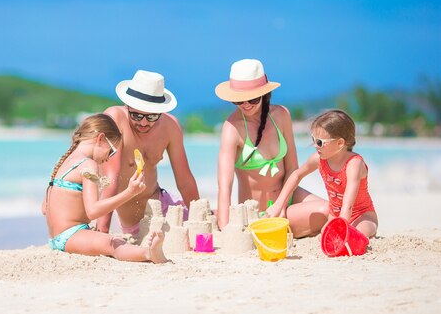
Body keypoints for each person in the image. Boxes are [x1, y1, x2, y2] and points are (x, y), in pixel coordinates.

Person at [215, 59, 328, 237]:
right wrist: (225, 226)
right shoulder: (232, 128)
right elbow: (224, 185)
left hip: (287, 198)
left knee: (333, 210)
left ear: (264, 94)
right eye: (238, 100)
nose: (246, 105)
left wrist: (281, 205)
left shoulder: (281, 115)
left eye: (252, 99)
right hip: (258, 213)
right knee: (324, 211)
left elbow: (292, 168)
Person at [43, 113, 168, 263]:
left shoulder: (64, 162)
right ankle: (148, 254)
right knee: (114, 243)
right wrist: (130, 192)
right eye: (111, 151)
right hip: (71, 236)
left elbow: (44, 208)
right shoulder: (88, 165)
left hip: (55, 238)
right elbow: (93, 211)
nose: (109, 158)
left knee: (105, 240)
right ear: (101, 139)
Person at [96, 70, 200, 235]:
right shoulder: (114, 119)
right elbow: (110, 179)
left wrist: (200, 220)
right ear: (127, 105)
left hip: (163, 206)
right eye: (136, 115)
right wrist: (101, 232)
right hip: (135, 223)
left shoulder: (170, 126)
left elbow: (185, 181)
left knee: (216, 219)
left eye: (151, 117)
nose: (144, 122)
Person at [266, 109, 378, 238]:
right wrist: (279, 204)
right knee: (325, 235)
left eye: (320, 142)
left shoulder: (354, 164)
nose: (315, 145)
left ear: (340, 143)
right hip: (334, 214)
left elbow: (348, 205)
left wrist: (341, 226)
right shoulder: (318, 159)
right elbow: (297, 175)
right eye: (313, 139)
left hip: (362, 215)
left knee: (356, 236)